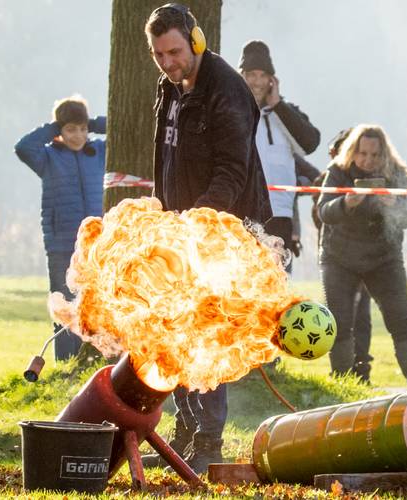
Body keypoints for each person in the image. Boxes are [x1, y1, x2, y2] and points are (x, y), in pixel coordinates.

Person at [145, 4, 271, 471]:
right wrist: (163, 218)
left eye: (175, 51)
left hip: (226, 232)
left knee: (206, 337)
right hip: (181, 229)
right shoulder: (169, 87)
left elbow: (233, 169)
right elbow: (165, 159)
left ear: (195, 41)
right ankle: (184, 435)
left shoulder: (227, 90)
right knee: (176, 332)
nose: (168, 62)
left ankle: (209, 443)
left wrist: (202, 220)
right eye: (159, 54)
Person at [317, 125, 407, 389]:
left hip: (384, 258)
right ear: (352, 151)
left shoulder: (396, 174)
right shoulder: (337, 171)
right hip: (340, 258)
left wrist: (394, 204)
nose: (368, 160)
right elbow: (324, 211)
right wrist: (346, 203)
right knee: (340, 325)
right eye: (363, 153)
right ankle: (342, 389)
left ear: (384, 155)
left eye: (375, 155)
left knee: (401, 323)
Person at [13, 96, 106, 361]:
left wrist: (93, 123)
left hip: (97, 244)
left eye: (82, 128)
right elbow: (22, 147)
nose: (78, 135)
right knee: (64, 302)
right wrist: (55, 126)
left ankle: (93, 358)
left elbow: (122, 127)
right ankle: (66, 361)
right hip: (61, 244)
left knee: (96, 302)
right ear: (59, 131)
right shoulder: (47, 157)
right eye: (70, 129)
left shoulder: (99, 152)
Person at [238, 39, 321, 269]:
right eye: (251, 74)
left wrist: (277, 105)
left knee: (278, 280)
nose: (257, 82)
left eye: (262, 75)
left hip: (279, 213)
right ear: (241, 76)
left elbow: (310, 143)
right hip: (241, 210)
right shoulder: (231, 110)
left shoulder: (285, 113)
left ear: (271, 80)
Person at [309, 129, 376, 382]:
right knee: (339, 317)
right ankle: (342, 372)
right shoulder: (327, 179)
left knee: (363, 316)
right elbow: (319, 218)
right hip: (336, 258)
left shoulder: (365, 181)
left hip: (364, 258)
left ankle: (362, 369)